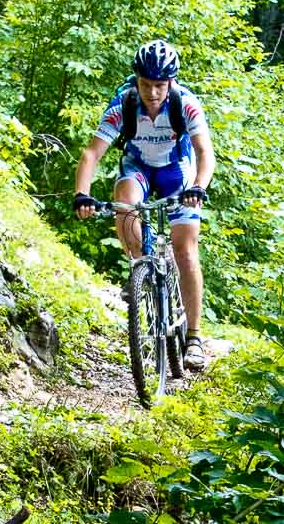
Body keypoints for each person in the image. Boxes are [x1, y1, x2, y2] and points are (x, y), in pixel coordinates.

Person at [72, 39, 214, 372]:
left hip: (177, 171)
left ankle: (193, 337)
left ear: (171, 83)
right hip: (138, 169)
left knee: (185, 249)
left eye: (159, 86)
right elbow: (92, 153)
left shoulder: (186, 104)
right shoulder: (124, 105)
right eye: (146, 84)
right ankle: (141, 270)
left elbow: (205, 153)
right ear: (137, 80)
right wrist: (82, 194)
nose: (152, 92)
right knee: (124, 201)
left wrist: (198, 187)